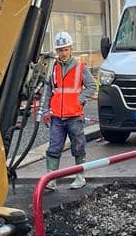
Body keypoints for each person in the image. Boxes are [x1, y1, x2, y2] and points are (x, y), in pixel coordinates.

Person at [38, 30, 96, 190]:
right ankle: (51, 179)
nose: (63, 53)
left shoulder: (80, 67)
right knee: (54, 148)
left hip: (74, 116)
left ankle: (80, 177)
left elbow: (91, 86)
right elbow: (48, 92)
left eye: (65, 49)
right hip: (57, 117)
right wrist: (45, 111)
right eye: (60, 50)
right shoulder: (53, 68)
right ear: (56, 51)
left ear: (70, 49)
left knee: (78, 147)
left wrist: (79, 100)